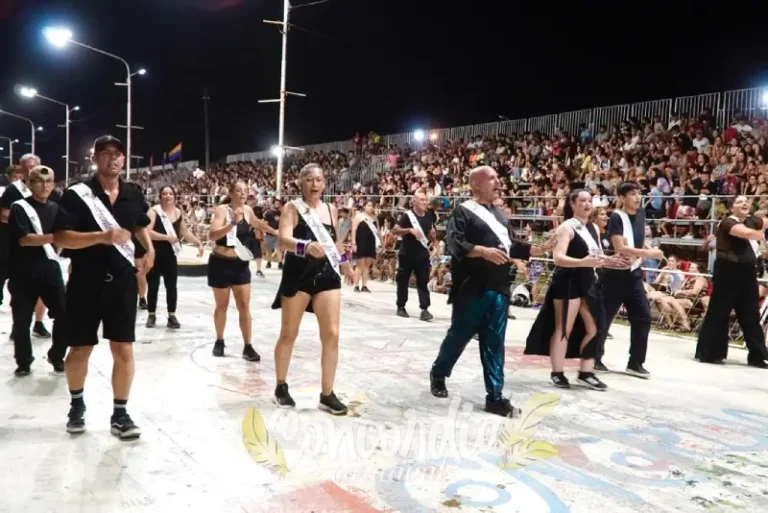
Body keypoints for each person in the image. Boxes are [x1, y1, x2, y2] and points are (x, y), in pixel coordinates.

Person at [429, 166, 552, 417]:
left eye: (498, 177)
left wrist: (541, 248)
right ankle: (439, 373)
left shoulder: (501, 215)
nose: (498, 182)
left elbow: (512, 245)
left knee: (495, 343)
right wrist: (483, 251)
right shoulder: (463, 211)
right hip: (471, 288)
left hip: (499, 287)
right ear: (476, 184)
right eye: (492, 178)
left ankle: (495, 396)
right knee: (458, 336)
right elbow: (455, 242)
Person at [53, 135, 154, 440]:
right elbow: (60, 238)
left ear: (124, 159)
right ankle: (76, 404)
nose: (113, 158)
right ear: (94, 158)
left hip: (122, 283)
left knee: (123, 348)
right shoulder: (76, 195)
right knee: (80, 348)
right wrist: (102, 237)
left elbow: (138, 224)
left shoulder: (133, 193)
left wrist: (148, 249)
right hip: (86, 281)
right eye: (106, 153)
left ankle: (120, 414)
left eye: (118, 153)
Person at [271, 164, 354, 415]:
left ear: (325, 183)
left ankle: (327, 394)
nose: (314, 184)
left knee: (332, 333)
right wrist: (304, 247)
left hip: (327, 274)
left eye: (319, 179)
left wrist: (346, 265)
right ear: (300, 182)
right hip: (299, 274)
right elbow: (283, 240)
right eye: (309, 179)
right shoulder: (292, 208)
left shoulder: (331, 209)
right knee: (289, 333)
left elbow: (336, 243)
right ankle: (281, 387)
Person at [525, 190, 627, 390]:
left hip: (588, 280)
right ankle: (557, 372)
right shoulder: (567, 227)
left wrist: (611, 261)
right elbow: (558, 258)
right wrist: (583, 262)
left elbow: (596, 256)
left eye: (590, 201)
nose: (587, 204)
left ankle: (586, 371)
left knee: (596, 327)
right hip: (568, 281)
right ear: (573, 204)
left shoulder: (594, 228)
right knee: (564, 328)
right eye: (582, 201)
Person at [595, 182, 663, 377]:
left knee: (643, 316)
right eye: (632, 194)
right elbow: (619, 248)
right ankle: (594, 357)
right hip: (615, 274)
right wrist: (648, 253)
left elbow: (635, 241)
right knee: (604, 316)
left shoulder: (641, 214)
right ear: (622, 197)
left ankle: (635, 362)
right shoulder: (617, 216)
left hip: (633, 273)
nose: (637, 197)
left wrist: (641, 254)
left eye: (638, 194)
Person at [7, 165, 67, 375]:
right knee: (22, 321)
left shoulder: (55, 207)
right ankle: (24, 361)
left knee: (64, 314)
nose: (44, 185)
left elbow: (66, 234)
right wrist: (55, 239)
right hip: (23, 270)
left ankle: (57, 355)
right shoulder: (19, 207)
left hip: (50, 268)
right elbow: (24, 240)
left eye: (49, 181)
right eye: (39, 181)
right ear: (30, 184)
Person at [207, 180, 277, 360]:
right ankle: (219, 340)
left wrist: (277, 232)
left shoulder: (248, 210)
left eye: (245, 190)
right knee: (221, 306)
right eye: (238, 190)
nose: (243, 193)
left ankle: (248, 346)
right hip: (220, 263)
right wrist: (232, 223)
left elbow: (258, 224)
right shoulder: (222, 210)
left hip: (240, 264)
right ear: (231, 193)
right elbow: (212, 235)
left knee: (244, 306)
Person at [696, 195, 768, 367]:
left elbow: (763, 221)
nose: (744, 203)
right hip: (728, 272)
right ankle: (710, 353)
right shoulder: (728, 222)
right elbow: (747, 233)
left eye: (746, 201)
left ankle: (758, 355)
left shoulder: (752, 220)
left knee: (750, 313)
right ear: (731, 207)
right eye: (739, 202)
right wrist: (762, 234)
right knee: (719, 311)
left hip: (747, 272)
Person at [0, 157, 52, 339]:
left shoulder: (48, 188)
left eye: (34, 166)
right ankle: (19, 325)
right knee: (20, 291)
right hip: (18, 247)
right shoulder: (14, 190)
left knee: (43, 287)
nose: (32, 170)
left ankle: (38, 322)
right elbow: (3, 213)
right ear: (22, 170)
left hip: (43, 247)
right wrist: (22, 221)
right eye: (28, 167)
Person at [145, 186, 204, 329]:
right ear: (160, 196)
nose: (168, 196)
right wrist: (166, 238)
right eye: (164, 193)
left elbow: (183, 231)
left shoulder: (178, 212)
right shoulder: (154, 212)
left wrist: (198, 243)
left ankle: (172, 315)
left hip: (171, 255)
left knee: (171, 287)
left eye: (170, 193)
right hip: (155, 254)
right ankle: (151, 315)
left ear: (174, 196)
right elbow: (146, 232)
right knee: (153, 286)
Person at [391, 190, 435, 321]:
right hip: (407, 254)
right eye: (421, 200)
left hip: (422, 254)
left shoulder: (429, 216)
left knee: (423, 282)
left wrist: (432, 235)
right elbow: (394, 230)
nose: (424, 202)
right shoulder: (407, 216)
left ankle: (425, 309)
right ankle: (401, 306)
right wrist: (409, 230)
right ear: (414, 201)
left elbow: (429, 236)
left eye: (425, 200)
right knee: (403, 281)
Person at [351, 199, 381, 292]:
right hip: (361, 242)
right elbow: (354, 230)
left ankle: (364, 285)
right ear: (364, 206)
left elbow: (378, 231)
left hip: (371, 242)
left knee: (367, 265)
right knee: (360, 264)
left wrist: (382, 242)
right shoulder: (359, 216)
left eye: (372, 205)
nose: (371, 207)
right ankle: (356, 285)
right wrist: (353, 243)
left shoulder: (375, 218)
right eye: (368, 205)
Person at [263, 198, 283, 269]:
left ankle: (280, 263)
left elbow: (283, 223)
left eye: (278, 203)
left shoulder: (282, 213)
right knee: (269, 249)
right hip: (269, 234)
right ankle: (268, 262)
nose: (277, 204)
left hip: (279, 234)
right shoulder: (269, 212)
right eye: (276, 203)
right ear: (273, 204)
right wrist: (267, 230)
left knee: (279, 249)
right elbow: (265, 222)